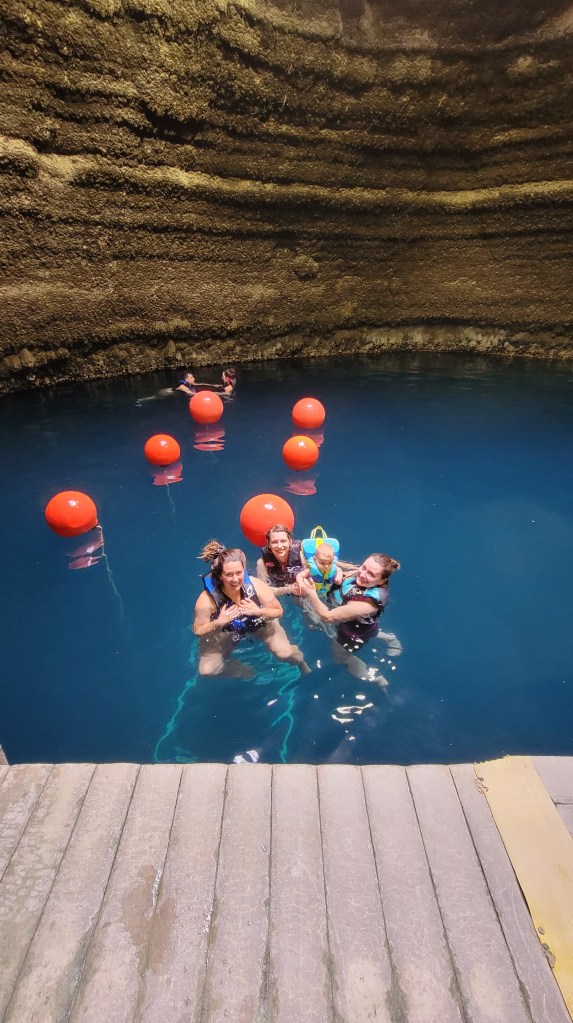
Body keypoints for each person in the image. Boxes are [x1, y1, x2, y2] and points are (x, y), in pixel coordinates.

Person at [194, 541, 310, 677]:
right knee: (207, 670)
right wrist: (218, 622)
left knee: (285, 653)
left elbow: (279, 611)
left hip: (259, 622)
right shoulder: (206, 601)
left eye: (239, 573)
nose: (235, 579)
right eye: (229, 575)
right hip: (226, 631)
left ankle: (301, 663)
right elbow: (198, 630)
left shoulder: (256, 586)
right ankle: (241, 670)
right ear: (219, 575)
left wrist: (258, 611)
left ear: (244, 570)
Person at [298, 553, 400, 684]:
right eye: (363, 567)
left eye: (371, 574)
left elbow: (327, 616)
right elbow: (340, 568)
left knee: (339, 658)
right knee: (368, 630)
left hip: (351, 634)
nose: (362, 574)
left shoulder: (368, 605)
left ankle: (376, 679)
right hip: (357, 623)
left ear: (381, 581)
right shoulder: (361, 575)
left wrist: (311, 593)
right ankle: (389, 638)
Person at [256, 524, 305, 596]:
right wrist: (288, 589)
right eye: (274, 542)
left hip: (299, 586)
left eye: (283, 541)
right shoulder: (262, 563)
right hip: (279, 588)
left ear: (290, 542)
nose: (279, 546)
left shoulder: (302, 556)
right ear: (268, 544)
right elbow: (263, 592)